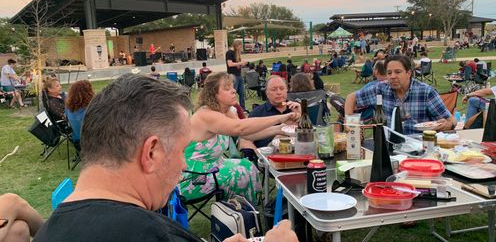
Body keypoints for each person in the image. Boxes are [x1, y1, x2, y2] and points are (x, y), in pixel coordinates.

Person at [34, 74, 298, 242]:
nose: (184, 163)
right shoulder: (157, 234)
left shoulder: (48, 231)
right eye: (180, 150)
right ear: (151, 153)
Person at [182, 72, 299, 202]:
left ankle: (245, 210)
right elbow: (240, 127)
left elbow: (247, 134)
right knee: (241, 173)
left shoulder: (227, 111)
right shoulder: (206, 114)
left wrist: (279, 128)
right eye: (227, 89)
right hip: (194, 176)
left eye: (232, 87)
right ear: (214, 94)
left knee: (248, 165)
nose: (234, 91)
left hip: (214, 166)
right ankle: (239, 209)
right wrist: (281, 117)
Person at [345, 55, 455, 134]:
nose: (392, 76)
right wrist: (349, 120)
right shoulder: (381, 88)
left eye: (397, 72)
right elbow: (351, 98)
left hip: (420, 147)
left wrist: (448, 125)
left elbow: (451, 121)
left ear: (409, 73)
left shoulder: (426, 92)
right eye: (389, 73)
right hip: (390, 146)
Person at [244, 76, 301, 148]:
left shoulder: (295, 108)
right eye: (274, 89)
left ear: (287, 90)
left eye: (282, 88)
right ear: (267, 93)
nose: (279, 92)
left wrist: (301, 116)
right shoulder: (257, 113)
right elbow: (246, 140)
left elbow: (310, 135)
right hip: (268, 153)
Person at [65, 80, 95, 151]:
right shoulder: (90, 109)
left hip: (77, 143)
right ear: (88, 92)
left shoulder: (68, 108)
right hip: (92, 144)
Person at [226, 39, 248, 110]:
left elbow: (237, 65)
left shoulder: (237, 53)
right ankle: (231, 108)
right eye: (240, 47)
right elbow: (230, 64)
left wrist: (242, 64)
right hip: (232, 76)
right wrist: (240, 63)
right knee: (233, 93)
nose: (240, 48)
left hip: (239, 75)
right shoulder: (229, 52)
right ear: (237, 45)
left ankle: (242, 108)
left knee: (242, 93)